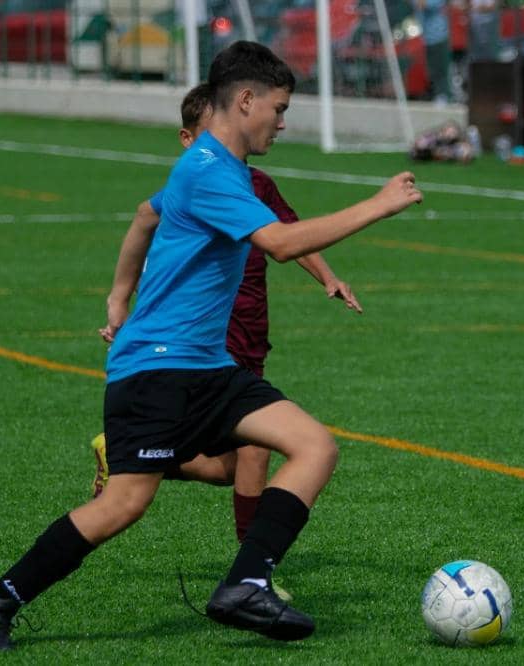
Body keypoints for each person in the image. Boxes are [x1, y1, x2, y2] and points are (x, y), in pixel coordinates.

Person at [0, 40, 423, 651]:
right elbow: (278, 244)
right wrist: (379, 205)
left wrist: (119, 296)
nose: (283, 122)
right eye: (278, 109)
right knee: (121, 506)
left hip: (208, 367)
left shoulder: (217, 169)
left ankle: (245, 584)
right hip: (155, 371)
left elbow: (145, 217)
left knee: (314, 446)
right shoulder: (206, 172)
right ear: (245, 100)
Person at [93, 83, 362, 602]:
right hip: (208, 336)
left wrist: (326, 276)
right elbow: (146, 217)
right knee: (259, 448)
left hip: (250, 329)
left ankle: (145, 462)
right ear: (188, 139)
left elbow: (290, 233)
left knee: (234, 468)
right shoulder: (198, 181)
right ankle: (251, 573)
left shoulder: (254, 183)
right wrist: (119, 298)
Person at [414, 0, 453, 103]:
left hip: (439, 36)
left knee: (441, 69)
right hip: (426, 38)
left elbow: (423, 4)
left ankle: (445, 96)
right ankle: (436, 94)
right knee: (430, 70)